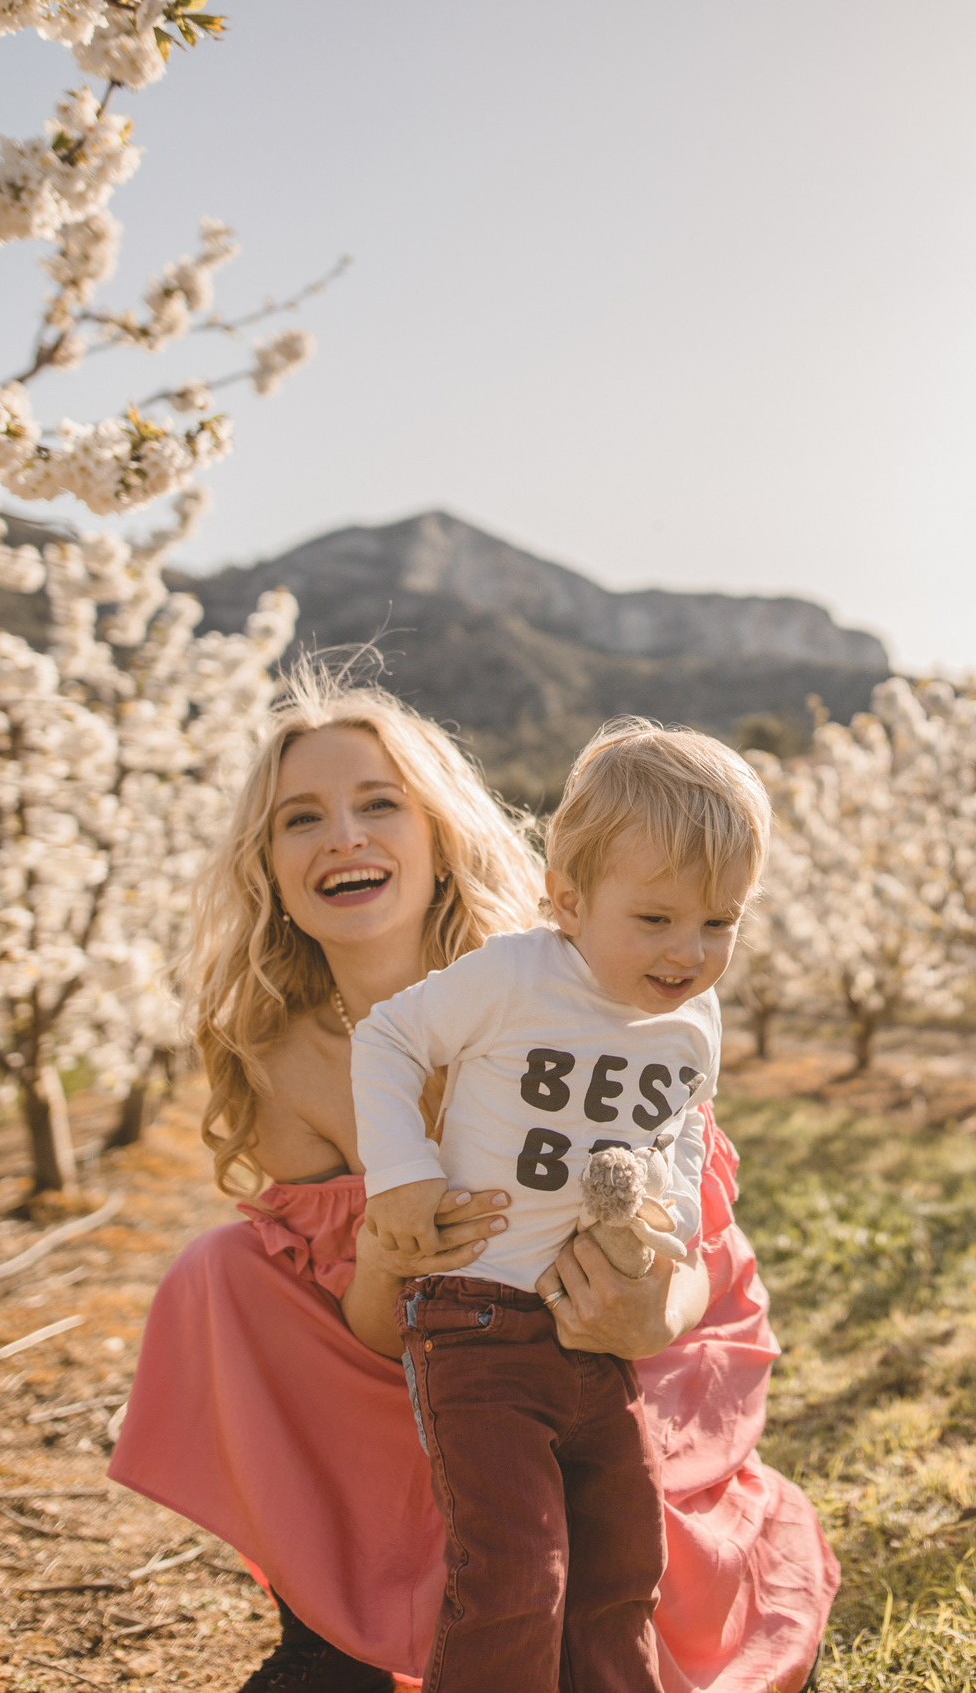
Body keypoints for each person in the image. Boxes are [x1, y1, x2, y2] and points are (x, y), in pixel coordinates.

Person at [108, 672, 837, 1693]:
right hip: (434, 1354)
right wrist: (387, 1252)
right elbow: (367, 1329)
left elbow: (697, 1226)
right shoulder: (284, 1056)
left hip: (597, 1336)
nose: (343, 836)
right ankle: (331, 1623)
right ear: (267, 869)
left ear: (439, 835)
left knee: (609, 1568)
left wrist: (645, 1314)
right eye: (300, 819)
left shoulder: (564, 979)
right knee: (221, 1270)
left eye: (378, 804)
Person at [353, 722, 769, 1692]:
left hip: (594, 1337)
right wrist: (402, 1173)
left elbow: (680, 1129)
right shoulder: (518, 976)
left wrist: (657, 1227)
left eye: (720, 923)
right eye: (657, 919)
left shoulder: (691, 1021)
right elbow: (387, 1040)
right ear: (570, 903)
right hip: (480, 1319)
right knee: (516, 1575)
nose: (689, 952)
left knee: (623, 1569)